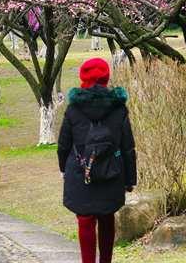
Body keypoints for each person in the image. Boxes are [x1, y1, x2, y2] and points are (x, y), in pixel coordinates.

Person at [57, 58, 137, 263]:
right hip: (112, 173)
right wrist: (130, 179)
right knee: (107, 218)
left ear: (83, 79)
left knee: (85, 220)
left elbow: (64, 145)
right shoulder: (118, 109)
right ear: (106, 78)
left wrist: (63, 170)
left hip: (81, 172)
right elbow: (128, 148)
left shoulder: (73, 109)